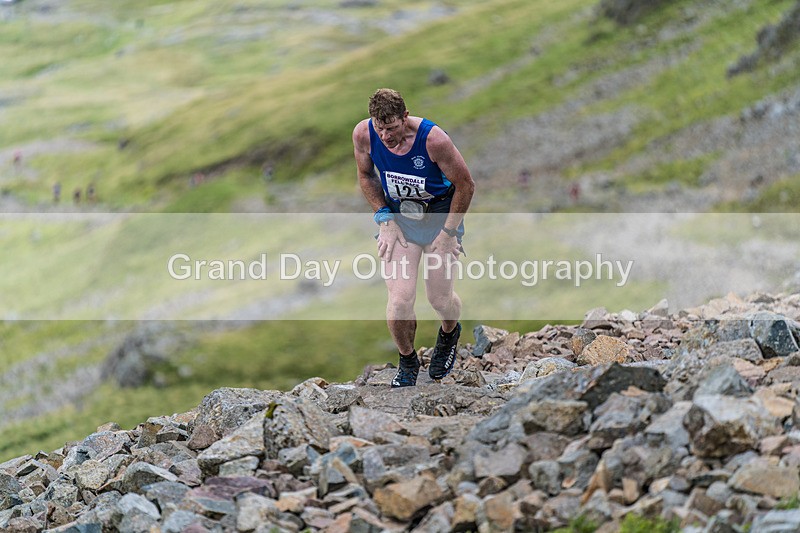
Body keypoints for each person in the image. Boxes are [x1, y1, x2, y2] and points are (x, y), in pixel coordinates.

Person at [353, 88, 475, 387]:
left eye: (392, 128)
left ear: (405, 118)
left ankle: (449, 331)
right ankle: (407, 360)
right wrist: (384, 218)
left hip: (439, 217)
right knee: (400, 300)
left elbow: (466, 185)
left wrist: (448, 234)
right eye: (380, 128)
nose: (385, 136)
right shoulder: (363, 135)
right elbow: (366, 175)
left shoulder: (434, 140)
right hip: (399, 220)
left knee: (439, 298)